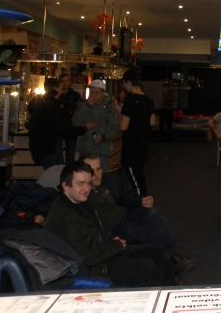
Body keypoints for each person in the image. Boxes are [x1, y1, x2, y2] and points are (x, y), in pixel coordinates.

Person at [44, 161, 174, 287]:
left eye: (88, 183)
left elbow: (91, 239)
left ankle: (171, 291)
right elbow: (85, 257)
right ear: (65, 185)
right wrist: (114, 246)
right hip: (92, 268)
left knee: (155, 250)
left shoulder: (77, 203)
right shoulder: (64, 217)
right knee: (146, 268)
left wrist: (111, 242)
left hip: (101, 254)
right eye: (80, 183)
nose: (86, 188)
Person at [80, 154, 196, 283]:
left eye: (99, 169)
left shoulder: (109, 179)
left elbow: (126, 196)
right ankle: (171, 273)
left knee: (153, 213)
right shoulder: (82, 193)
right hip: (112, 227)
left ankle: (175, 256)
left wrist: (141, 201)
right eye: (92, 171)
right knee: (146, 235)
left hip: (125, 214)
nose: (97, 174)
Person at [28, 78, 86, 168]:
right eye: (60, 89)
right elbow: (60, 128)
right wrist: (83, 129)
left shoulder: (40, 104)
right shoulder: (49, 107)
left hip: (42, 149)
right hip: (50, 148)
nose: (61, 92)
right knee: (55, 173)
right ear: (54, 89)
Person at [118, 69, 156, 196]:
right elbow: (152, 122)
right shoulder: (149, 100)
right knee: (138, 174)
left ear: (128, 82)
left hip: (131, 146)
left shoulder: (129, 101)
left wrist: (119, 113)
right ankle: (142, 199)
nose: (124, 86)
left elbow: (123, 126)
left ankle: (142, 202)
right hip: (143, 144)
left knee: (136, 179)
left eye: (124, 83)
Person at [72, 79, 121, 172]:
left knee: (100, 176)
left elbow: (116, 130)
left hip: (102, 150)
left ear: (103, 92)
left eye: (97, 92)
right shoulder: (83, 106)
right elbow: (75, 122)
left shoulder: (110, 109)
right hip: (85, 149)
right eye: (92, 92)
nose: (94, 95)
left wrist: (103, 137)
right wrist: (87, 106)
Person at [58, 72, 83, 163]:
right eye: (63, 81)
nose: (65, 83)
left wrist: (65, 108)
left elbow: (79, 109)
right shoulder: (58, 95)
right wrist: (69, 108)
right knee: (58, 155)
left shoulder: (75, 95)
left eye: (67, 80)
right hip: (59, 127)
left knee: (70, 155)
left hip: (71, 127)